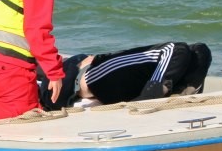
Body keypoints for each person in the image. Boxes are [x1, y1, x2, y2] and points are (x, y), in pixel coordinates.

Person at [39, 42, 212, 110]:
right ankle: (151, 96)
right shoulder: (62, 74)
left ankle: (170, 94)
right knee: (181, 49)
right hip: (90, 76)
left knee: (199, 51)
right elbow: (173, 50)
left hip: (102, 79)